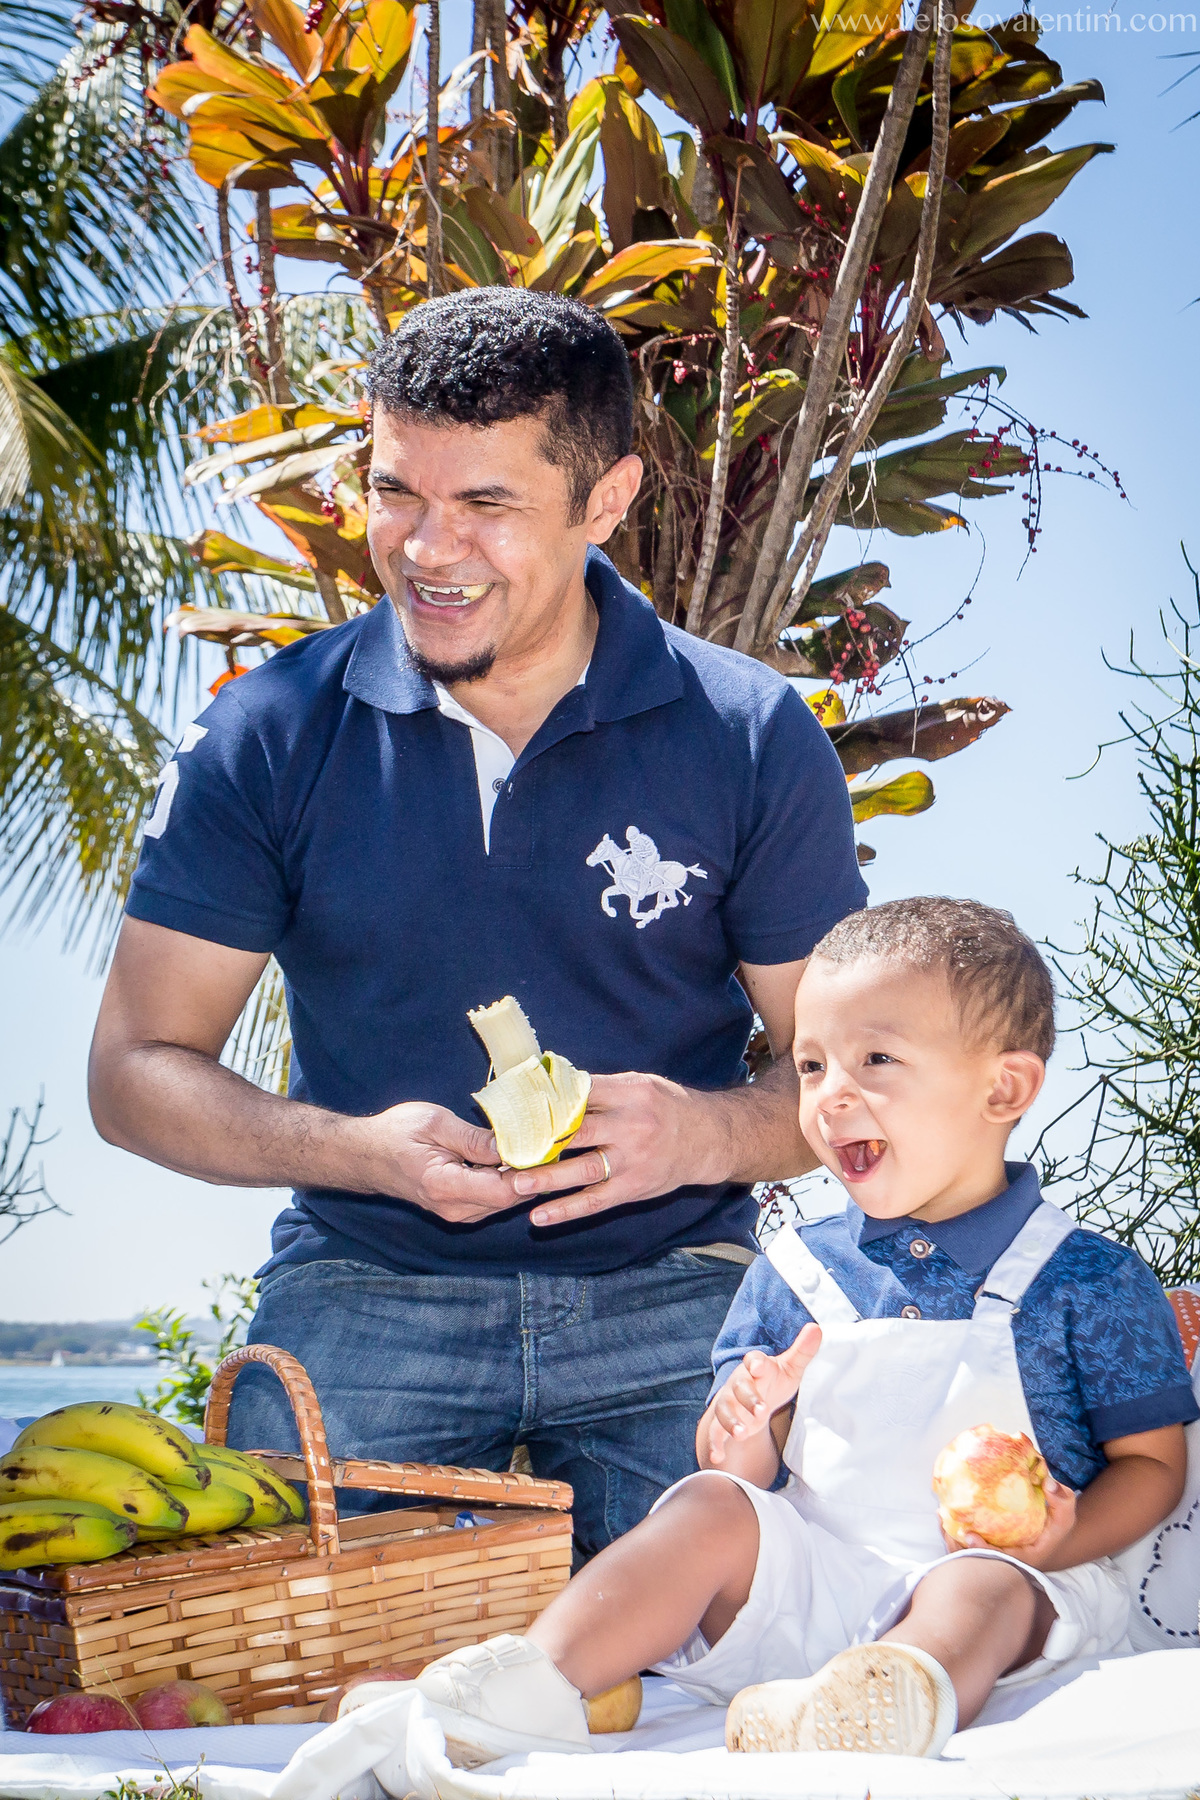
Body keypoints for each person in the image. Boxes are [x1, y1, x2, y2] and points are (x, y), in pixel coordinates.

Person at [87, 288, 867, 1558]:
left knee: (757, 1659)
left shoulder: (749, 733)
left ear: (605, 501)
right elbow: (132, 1076)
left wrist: (702, 1131)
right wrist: (362, 1152)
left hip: (676, 1296)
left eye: (487, 506)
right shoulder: (268, 730)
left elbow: (846, 1082)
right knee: (288, 1691)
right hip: (362, 1282)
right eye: (398, 492)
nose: (426, 550)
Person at [398, 897, 1197, 1764]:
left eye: (877, 1059)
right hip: (820, 1584)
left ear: (1002, 1088)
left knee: (975, 1584)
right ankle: (533, 1683)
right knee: (707, 1505)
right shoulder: (795, 1272)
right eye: (811, 1065)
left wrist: (1064, 1538)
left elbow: (1152, 1468)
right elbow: (743, 1471)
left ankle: (889, 1703)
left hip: (1023, 1599)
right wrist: (743, 1428)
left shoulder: (1088, 1278)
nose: (830, 1094)